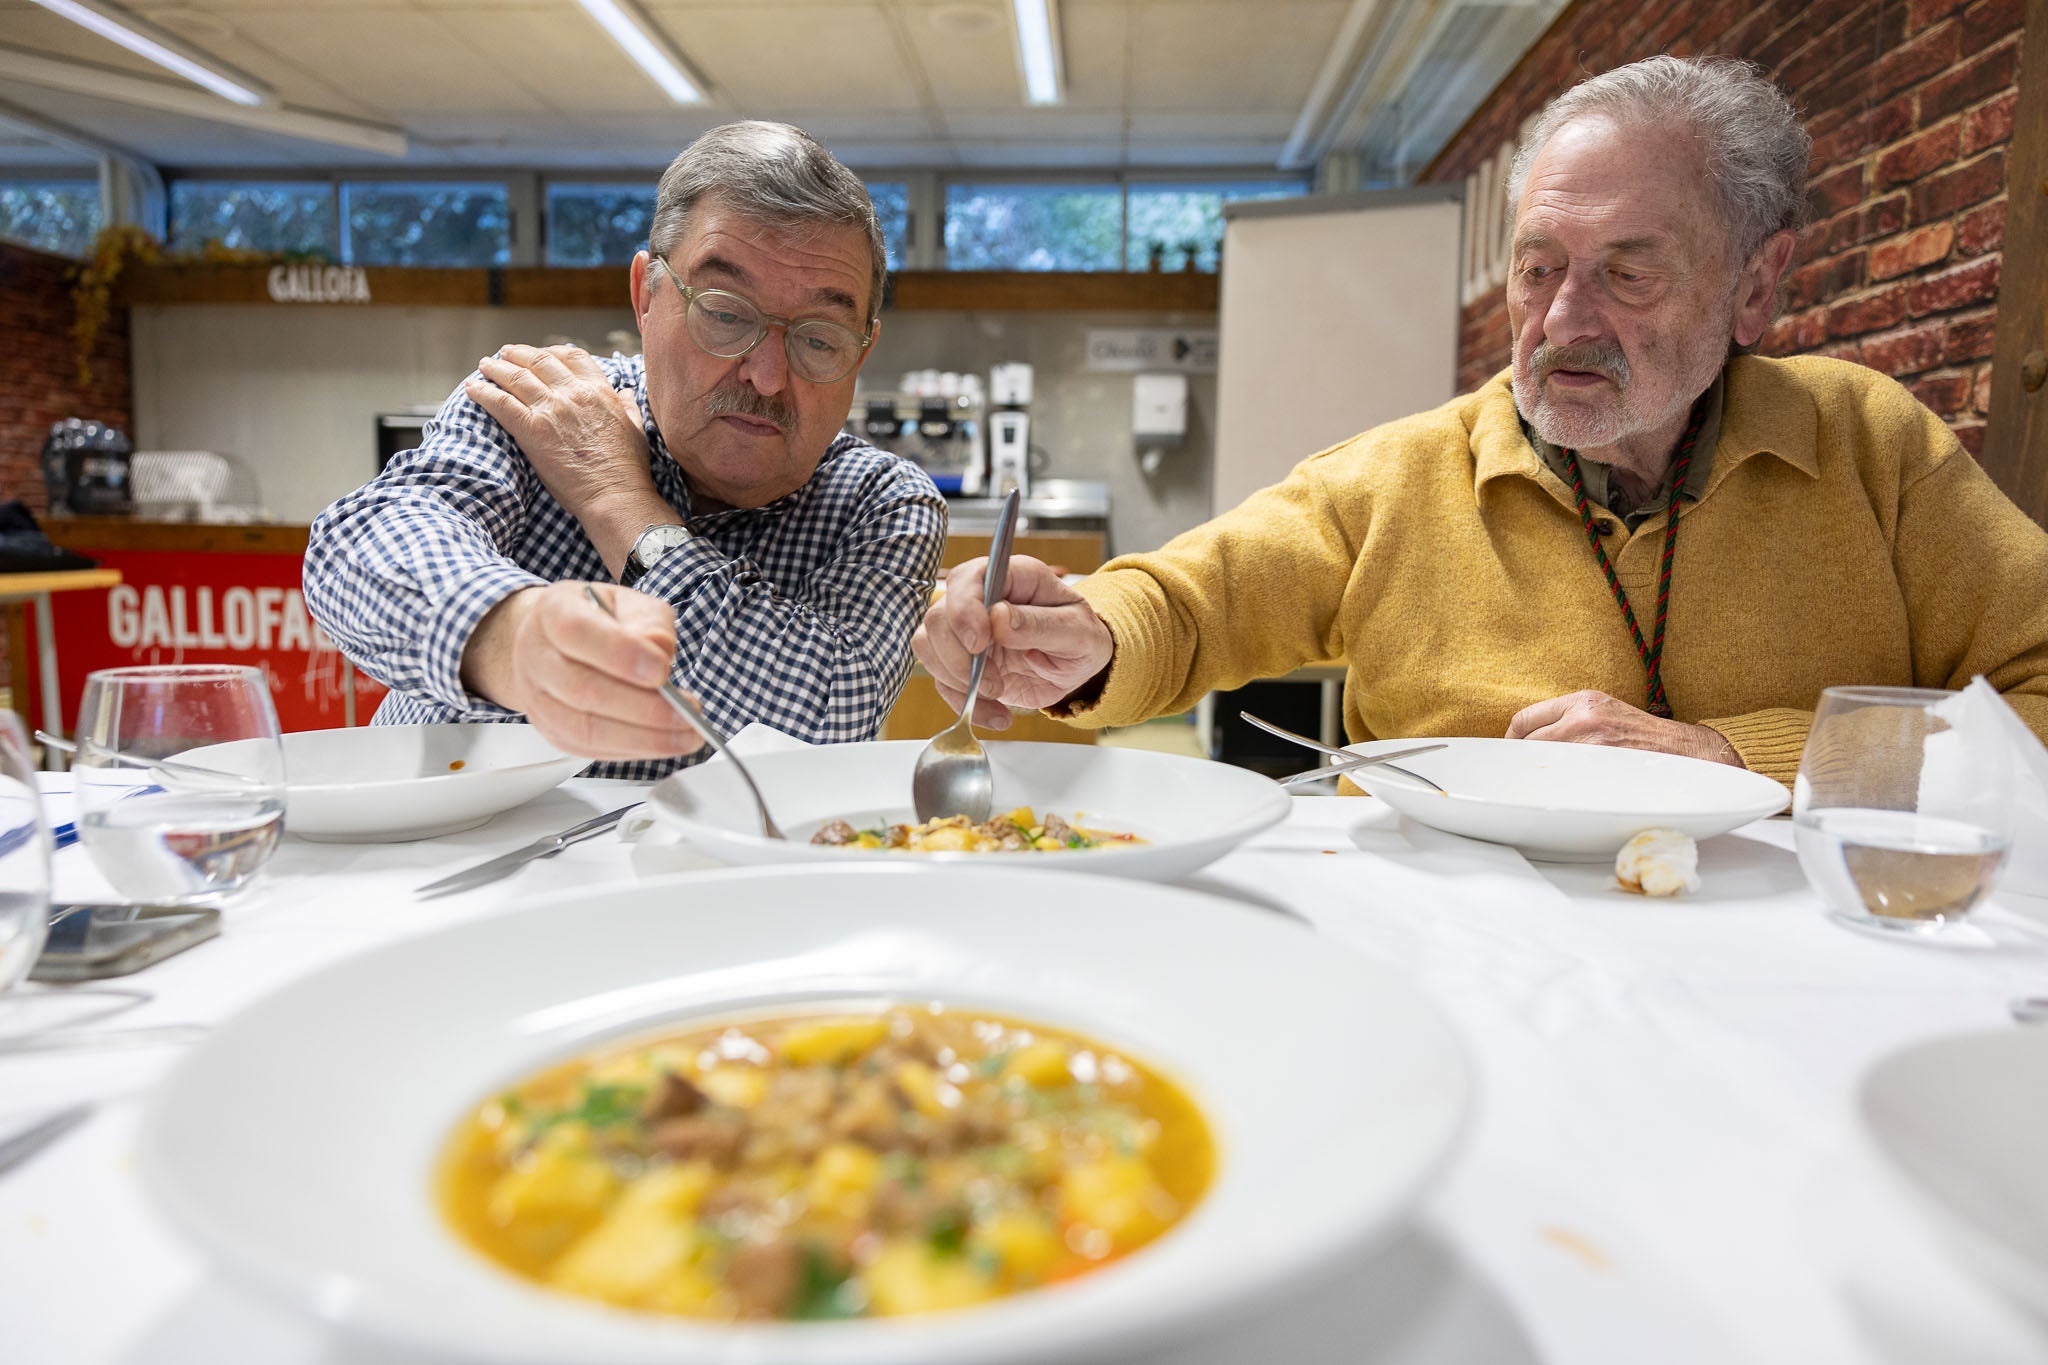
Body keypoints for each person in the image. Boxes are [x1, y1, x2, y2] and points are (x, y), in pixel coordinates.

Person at [914, 56, 2048, 789]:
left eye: (1626, 275)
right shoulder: (1404, 474)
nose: (1561, 320)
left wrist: (1731, 759)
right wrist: (1081, 634)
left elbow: (2034, 700)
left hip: (1798, 983)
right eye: (1537, 267)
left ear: (1755, 286)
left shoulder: (1869, 446)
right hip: (1452, 974)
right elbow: (1191, 600)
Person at [307, 122, 946, 779]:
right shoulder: (547, 401)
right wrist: (510, 633)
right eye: (725, 313)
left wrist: (621, 502)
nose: (768, 376)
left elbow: (828, 717)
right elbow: (358, 550)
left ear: (862, 351)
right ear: (647, 295)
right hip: (445, 852)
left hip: (702, 876)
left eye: (819, 337)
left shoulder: (881, 502)